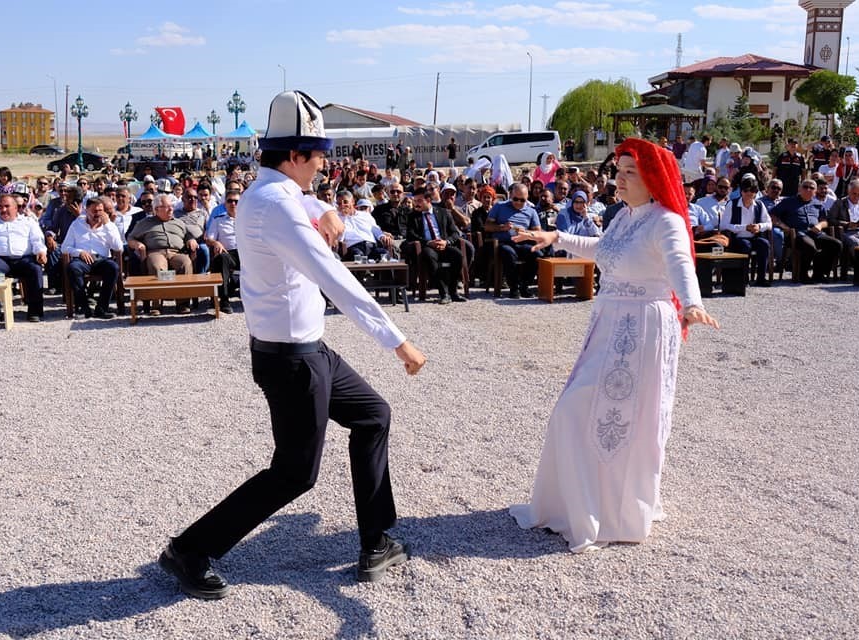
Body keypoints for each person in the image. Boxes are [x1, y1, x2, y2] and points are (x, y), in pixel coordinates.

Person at [158, 90, 426, 600]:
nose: (325, 164)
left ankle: (376, 539)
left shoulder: (275, 192)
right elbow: (334, 277)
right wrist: (398, 341)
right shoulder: (273, 206)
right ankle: (190, 549)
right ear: (296, 156)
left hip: (309, 349)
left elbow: (295, 197)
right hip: (293, 360)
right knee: (295, 474)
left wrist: (321, 204)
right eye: (319, 155)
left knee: (373, 415)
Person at [509, 137, 719, 553]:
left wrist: (692, 304)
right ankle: (577, 504)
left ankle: (614, 510)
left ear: (653, 179)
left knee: (619, 419)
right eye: (618, 172)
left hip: (642, 329)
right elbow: (605, 250)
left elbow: (680, 262)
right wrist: (557, 237)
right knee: (579, 410)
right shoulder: (624, 217)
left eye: (629, 173)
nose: (618, 180)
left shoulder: (666, 221)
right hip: (610, 324)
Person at [0, 194, 48, 324]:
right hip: (0, 261)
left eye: (7, 206)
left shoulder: (28, 222)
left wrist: (41, 252)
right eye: (0, 206)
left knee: (35, 268)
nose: (3, 210)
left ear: (16, 208)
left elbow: (37, 240)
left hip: (23, 259)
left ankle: (34, 310)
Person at [62, 196, 123, 319]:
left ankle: (102, 308)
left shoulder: (109, 226)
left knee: (113, 268)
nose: (98, 214)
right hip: (82, 260)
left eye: (100, 211)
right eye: (94, 211)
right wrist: (79, 252)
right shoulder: (77, 224)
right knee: (73, 268)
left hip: (101, 260)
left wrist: (107, 226)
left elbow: (118, 247)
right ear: (86, 210)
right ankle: (84, 308)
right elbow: (65, 247)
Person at [771, 178, 842, 283]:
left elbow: (825, 221)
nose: (808, 189)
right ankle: (802, 274)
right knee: (810, 245)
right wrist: (784, 226)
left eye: (811, 188)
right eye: (805, 187)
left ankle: (819, 273)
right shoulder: (788, 202)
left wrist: (819, 225)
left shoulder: (818, 204)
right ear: (800, 188)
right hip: (797, 235)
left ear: (815, 191)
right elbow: (772, 215)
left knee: (836, 244)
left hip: (816, 233)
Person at [484, 183, 542, 298]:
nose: (519, 202)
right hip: (504, 242)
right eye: (516, 199)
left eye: (522, 200)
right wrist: (502, 227)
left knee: (536, 254)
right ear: (511, 196)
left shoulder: (531, 211)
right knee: (509, 253)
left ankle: (524, 286)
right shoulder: (499, 206)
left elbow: (537, 232)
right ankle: (514, 288)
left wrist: (525, 232)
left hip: (523, 242)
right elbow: (487, 226)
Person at [723, 176, 772, 286]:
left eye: (753, 191)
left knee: (764, 244)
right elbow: (724, 225)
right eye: (746, 190)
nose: (749, 193)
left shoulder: (759, 205)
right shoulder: (732, 204)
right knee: (745, 245)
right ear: (741, 191)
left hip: (754, 237)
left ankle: (761, 278)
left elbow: (769, 223)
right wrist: (744, 227)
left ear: (756, 192)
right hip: (737, 238)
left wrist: (759, 226)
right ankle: (744, 278)